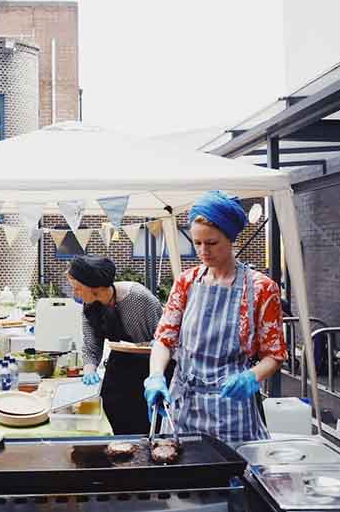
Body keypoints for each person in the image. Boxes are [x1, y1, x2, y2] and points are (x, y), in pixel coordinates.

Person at [145, 190, 288, 445]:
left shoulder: (261, 288)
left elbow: (274, 355)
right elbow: (164, 340)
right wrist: (156, 375)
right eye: (197, 242)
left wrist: (252, 376)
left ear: (230, 238)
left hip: (231, 410)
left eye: (211, 243)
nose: (202, 251)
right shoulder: (186, 283)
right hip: (183, 407)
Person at [66, 255, 163, 435]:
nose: (75, 294)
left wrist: (156, 372)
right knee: (113, 422)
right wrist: (89, 369)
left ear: (94, 287)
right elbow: (91, 346)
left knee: (146, 427)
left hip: (150, 369)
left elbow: (164, 338)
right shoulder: (89, 306)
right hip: (119, 367)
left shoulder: (138, 298)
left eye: (78, 289)